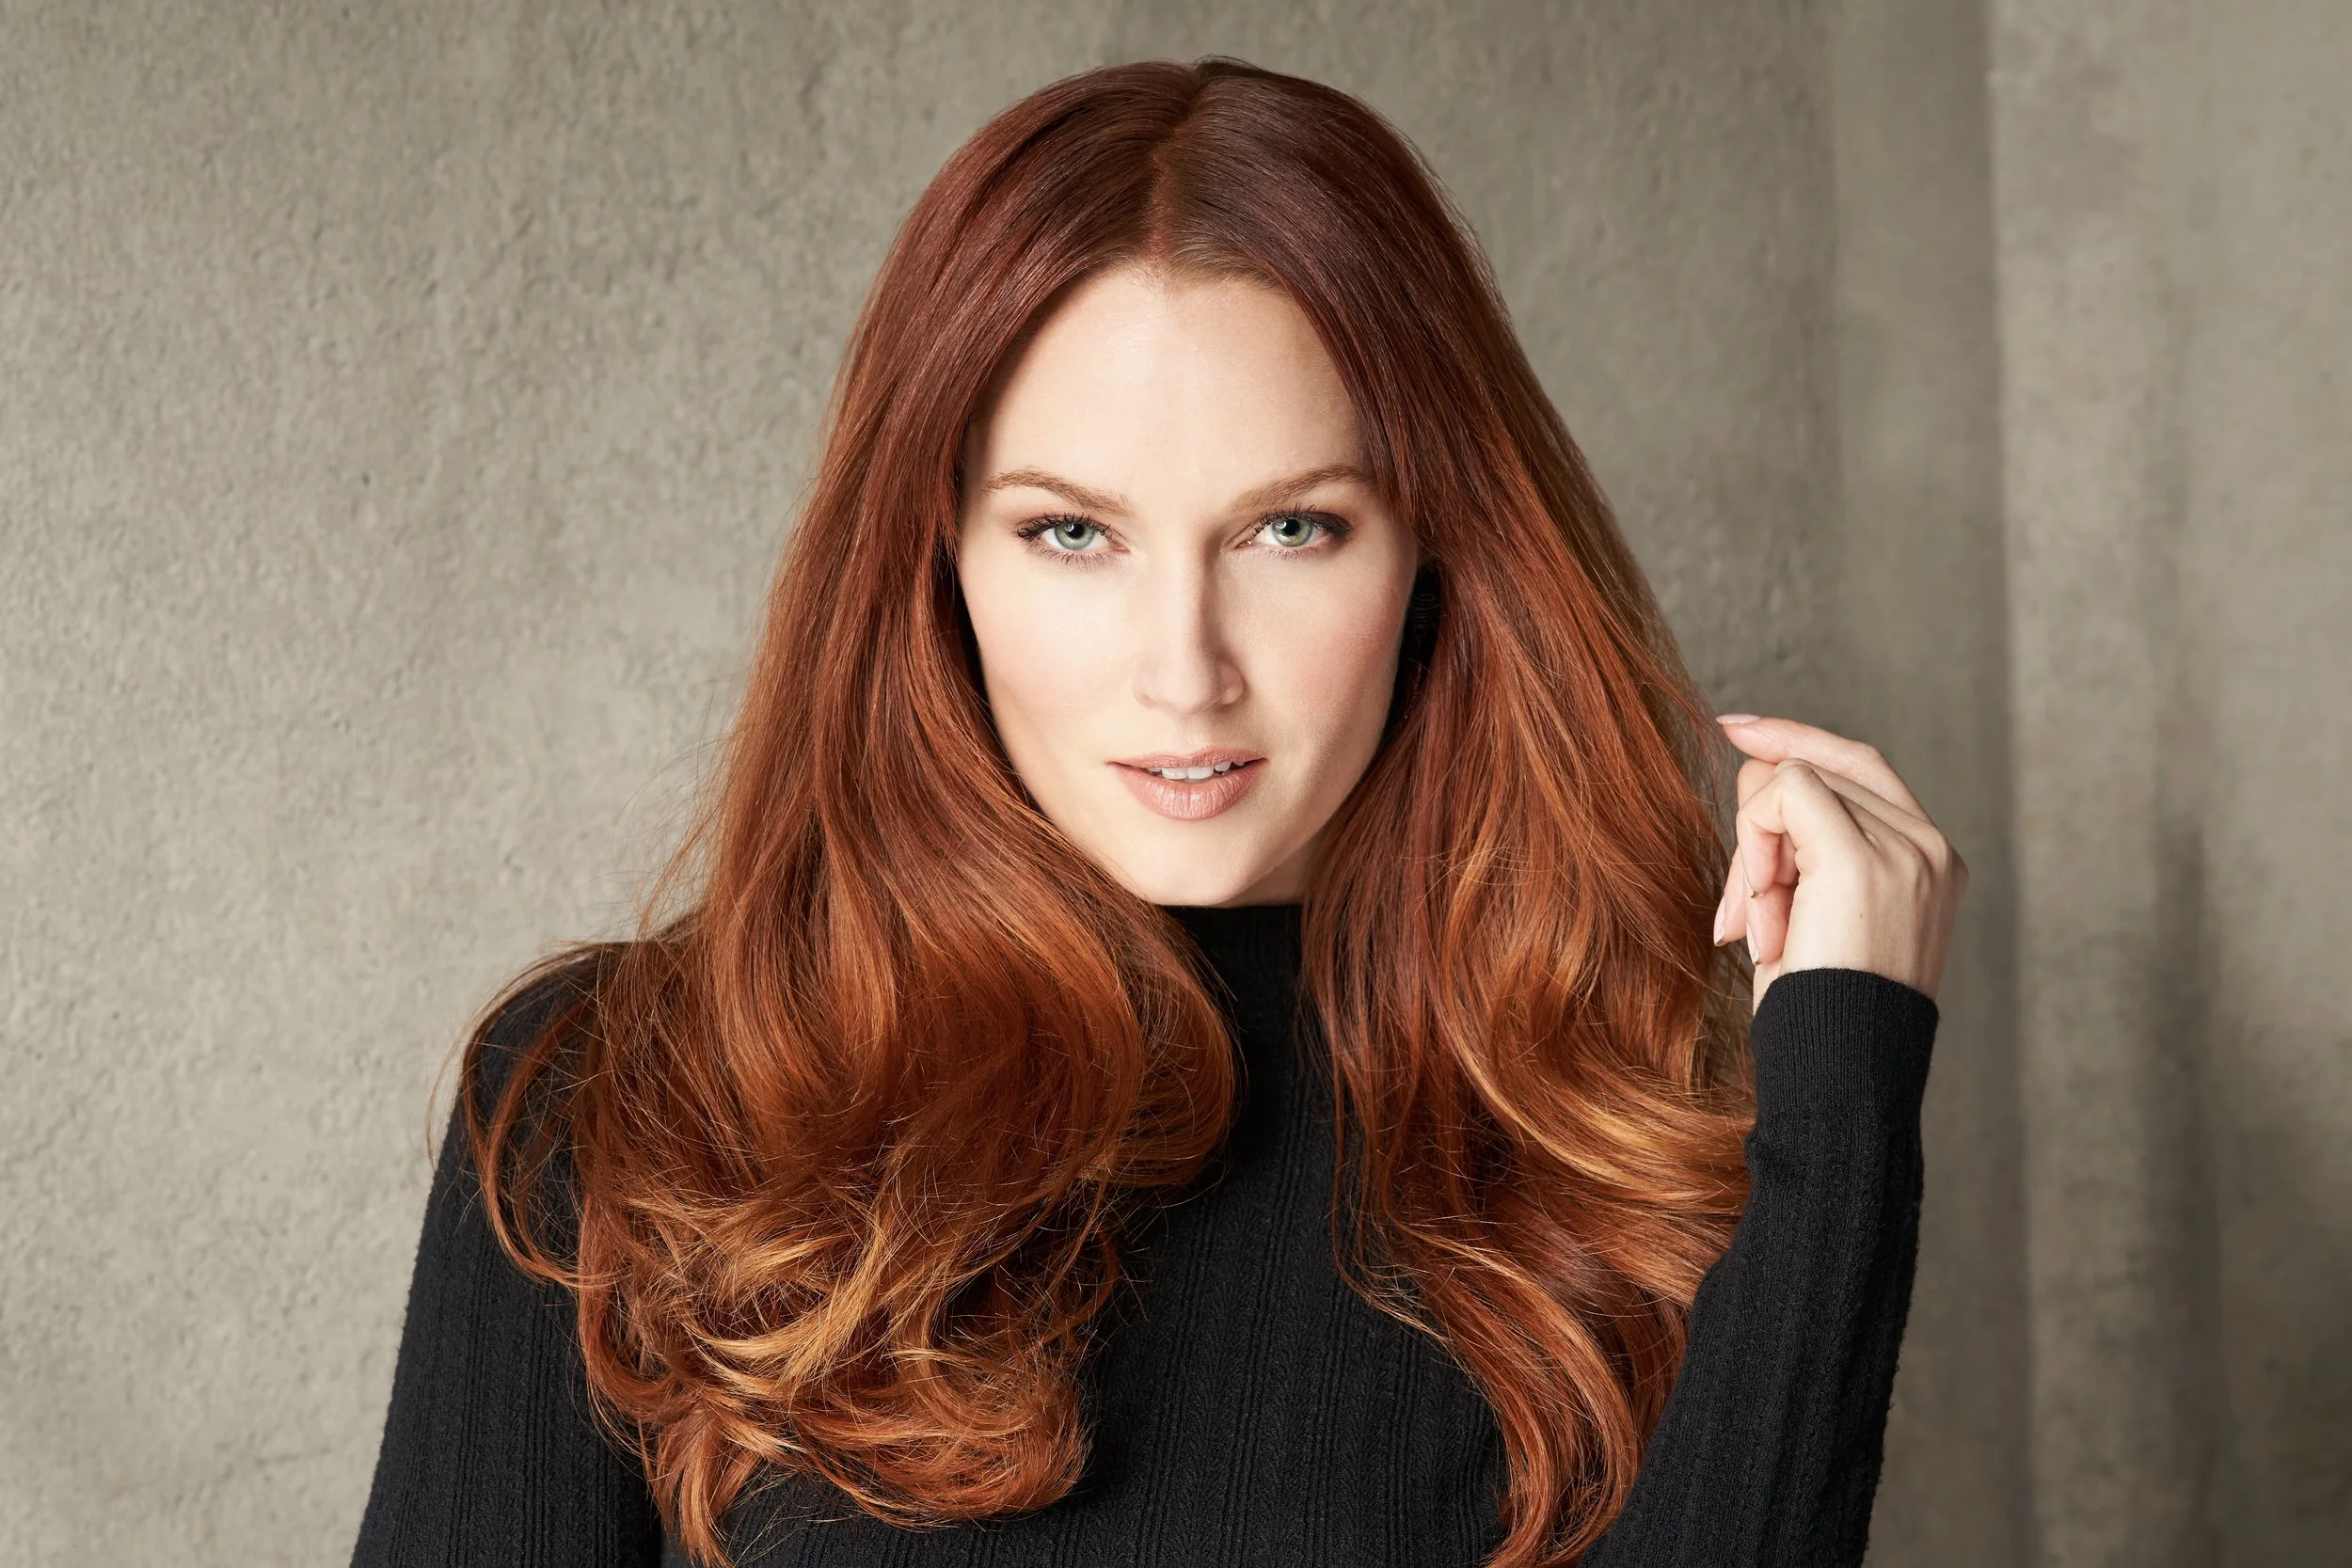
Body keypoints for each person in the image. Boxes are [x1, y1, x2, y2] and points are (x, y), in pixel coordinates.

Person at [351, 55, 1966, 1568]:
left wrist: (1844, 1073)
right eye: (1072, 534)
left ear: (1433, 552)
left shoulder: (1621, 1118)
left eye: (1289, 530)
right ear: (937, 561)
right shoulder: (620, 1101)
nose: (1185, 673)